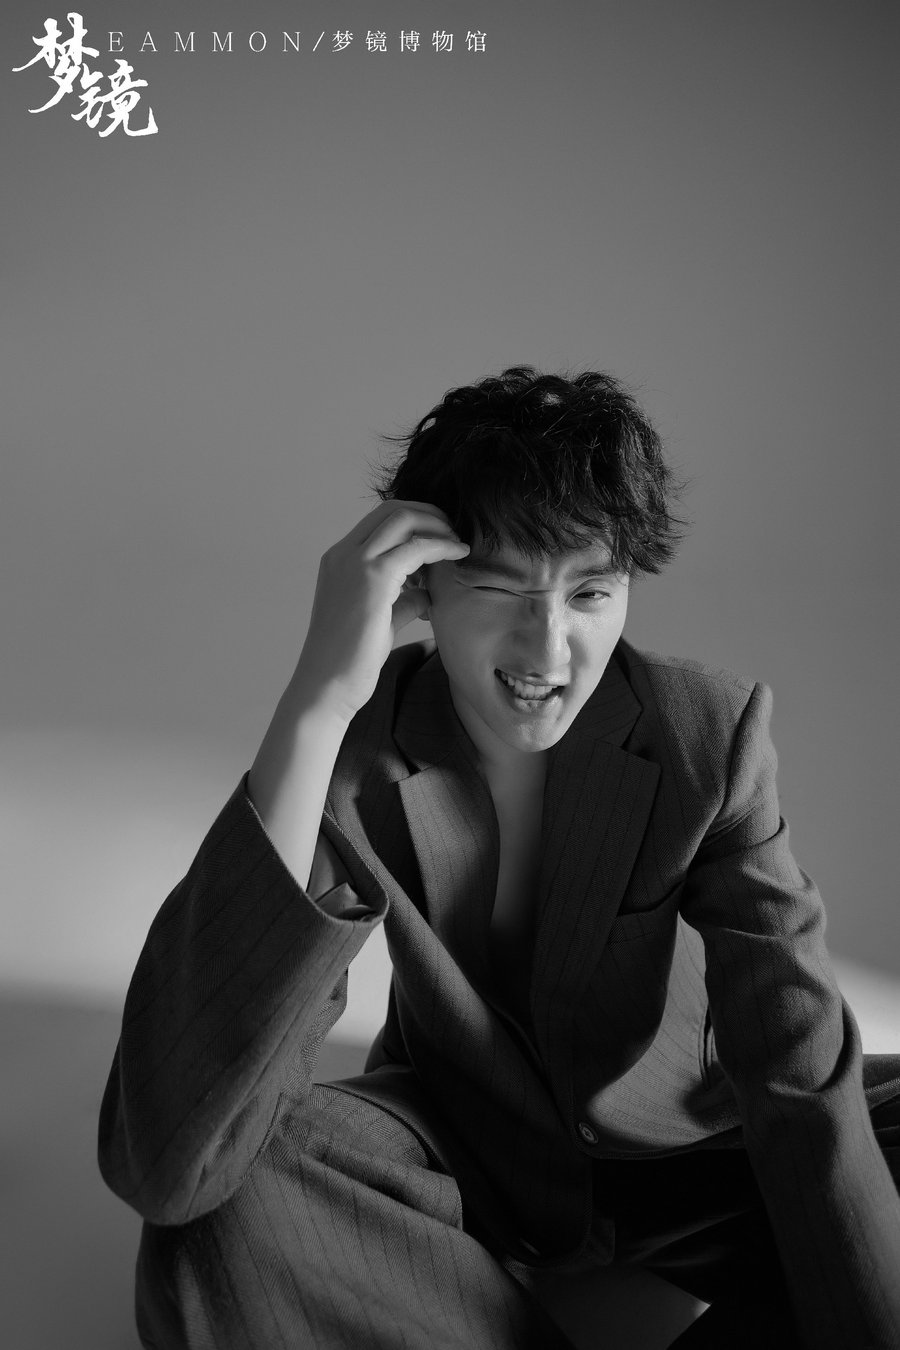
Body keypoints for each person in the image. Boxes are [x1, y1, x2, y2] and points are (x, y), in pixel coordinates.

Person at [99, 367, 900, 1350]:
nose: (547, 648)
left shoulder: (706, 732)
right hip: (471, 1161)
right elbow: (168, 1160)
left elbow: (794, 1053)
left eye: (590, 593)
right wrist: (317, 697)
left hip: (701, 1151)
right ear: (422, 586)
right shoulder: (357, 749)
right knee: (220, 1211)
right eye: (500, 588)